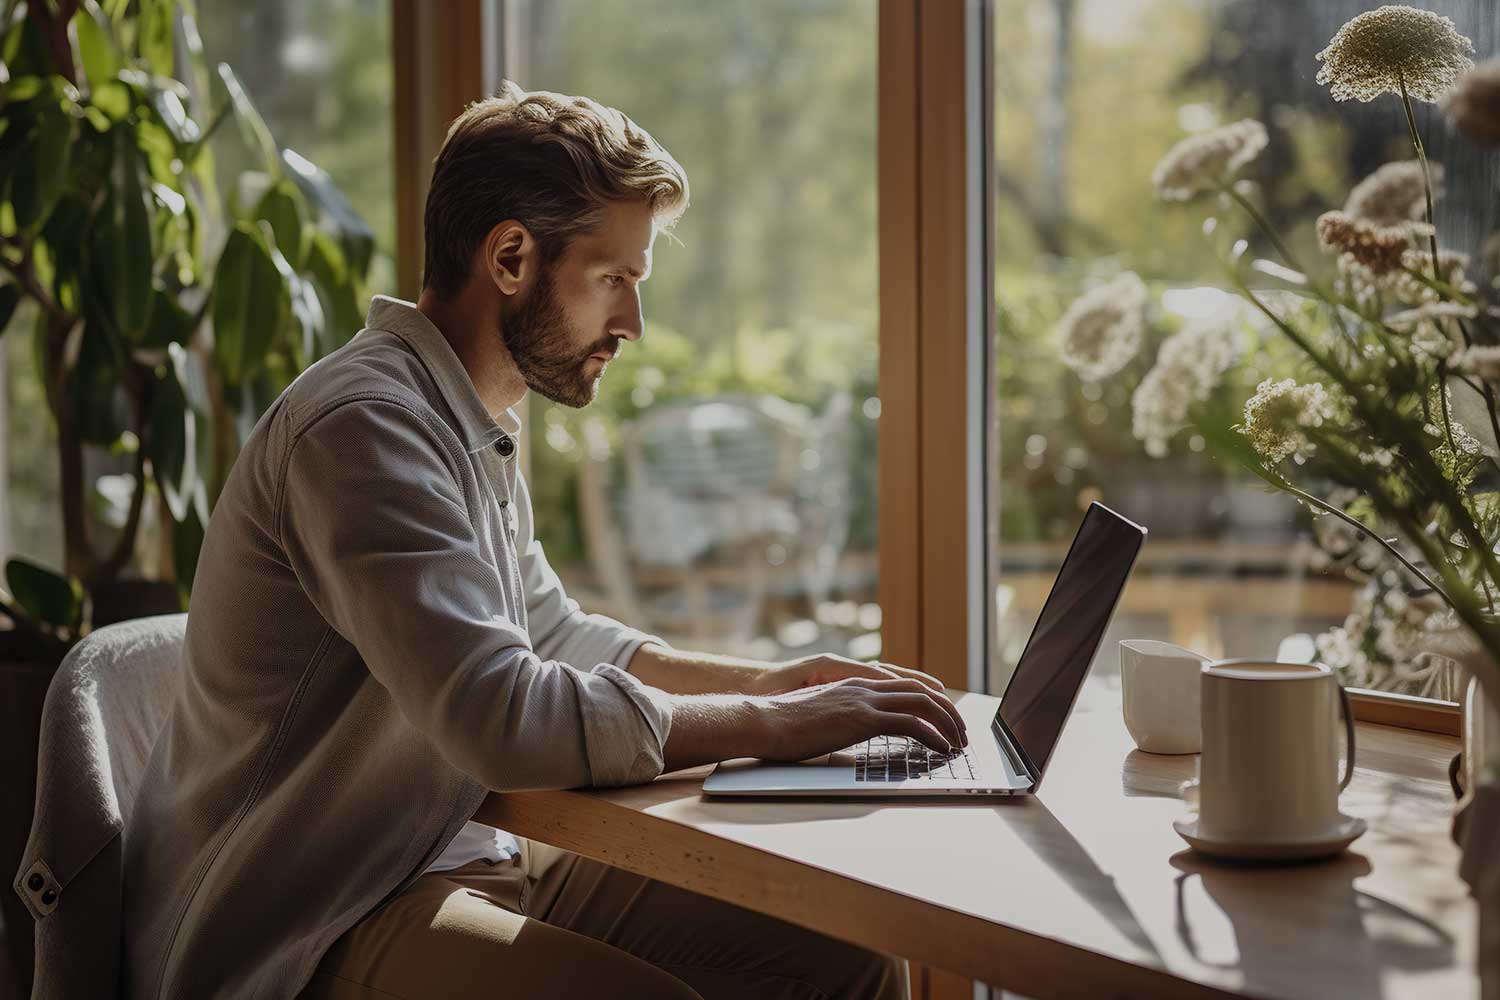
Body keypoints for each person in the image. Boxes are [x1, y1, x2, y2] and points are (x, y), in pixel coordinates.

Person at [122, 80, 968, 1000]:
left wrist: (768, 683)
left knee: (837, 957)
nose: (632, 325)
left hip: (447, 855)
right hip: (311, 912)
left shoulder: (470, 419)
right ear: (513, 256)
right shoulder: (363, 428)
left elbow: (551, 635)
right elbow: (500, 716)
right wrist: (776, 726)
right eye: (615, 280)